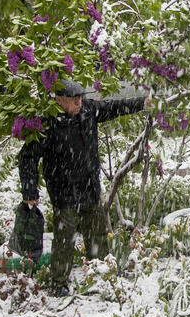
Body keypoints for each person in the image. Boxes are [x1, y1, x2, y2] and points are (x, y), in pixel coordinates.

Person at [19, 80, 148, 296]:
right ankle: (59, 283)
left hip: (89, 186)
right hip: (63, 190)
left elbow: (114, 107)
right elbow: (27, 157)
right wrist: (30, 191)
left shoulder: (88, 111)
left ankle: (102, 272)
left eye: (81, 97)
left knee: (96, 232)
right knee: (64, 239)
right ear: (59, 100)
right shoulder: (47, 123)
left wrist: (141, 103)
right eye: (74, 99)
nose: (79, 102)